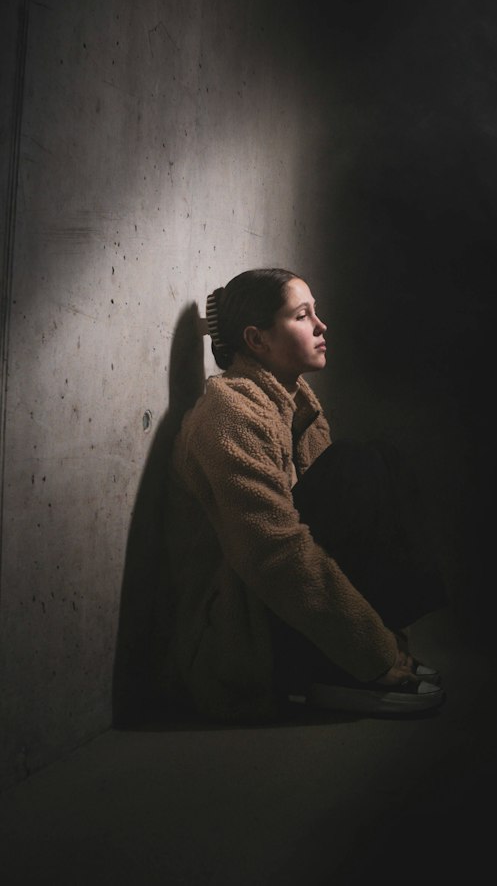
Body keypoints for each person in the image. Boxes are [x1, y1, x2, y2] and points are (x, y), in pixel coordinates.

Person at [161, 267, 447, 721]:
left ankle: (361, 662)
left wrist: (386, 644)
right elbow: (274, 551)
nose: (321, 325)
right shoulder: (228, 414)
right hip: (239, 635)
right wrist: (372, 651)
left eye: (315, 312)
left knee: (380, 459)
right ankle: (348, 668)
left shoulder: (297, 405)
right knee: (357, 464)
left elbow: (348, 543)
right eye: (302, 315)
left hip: (277, 613)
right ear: (256, 340)